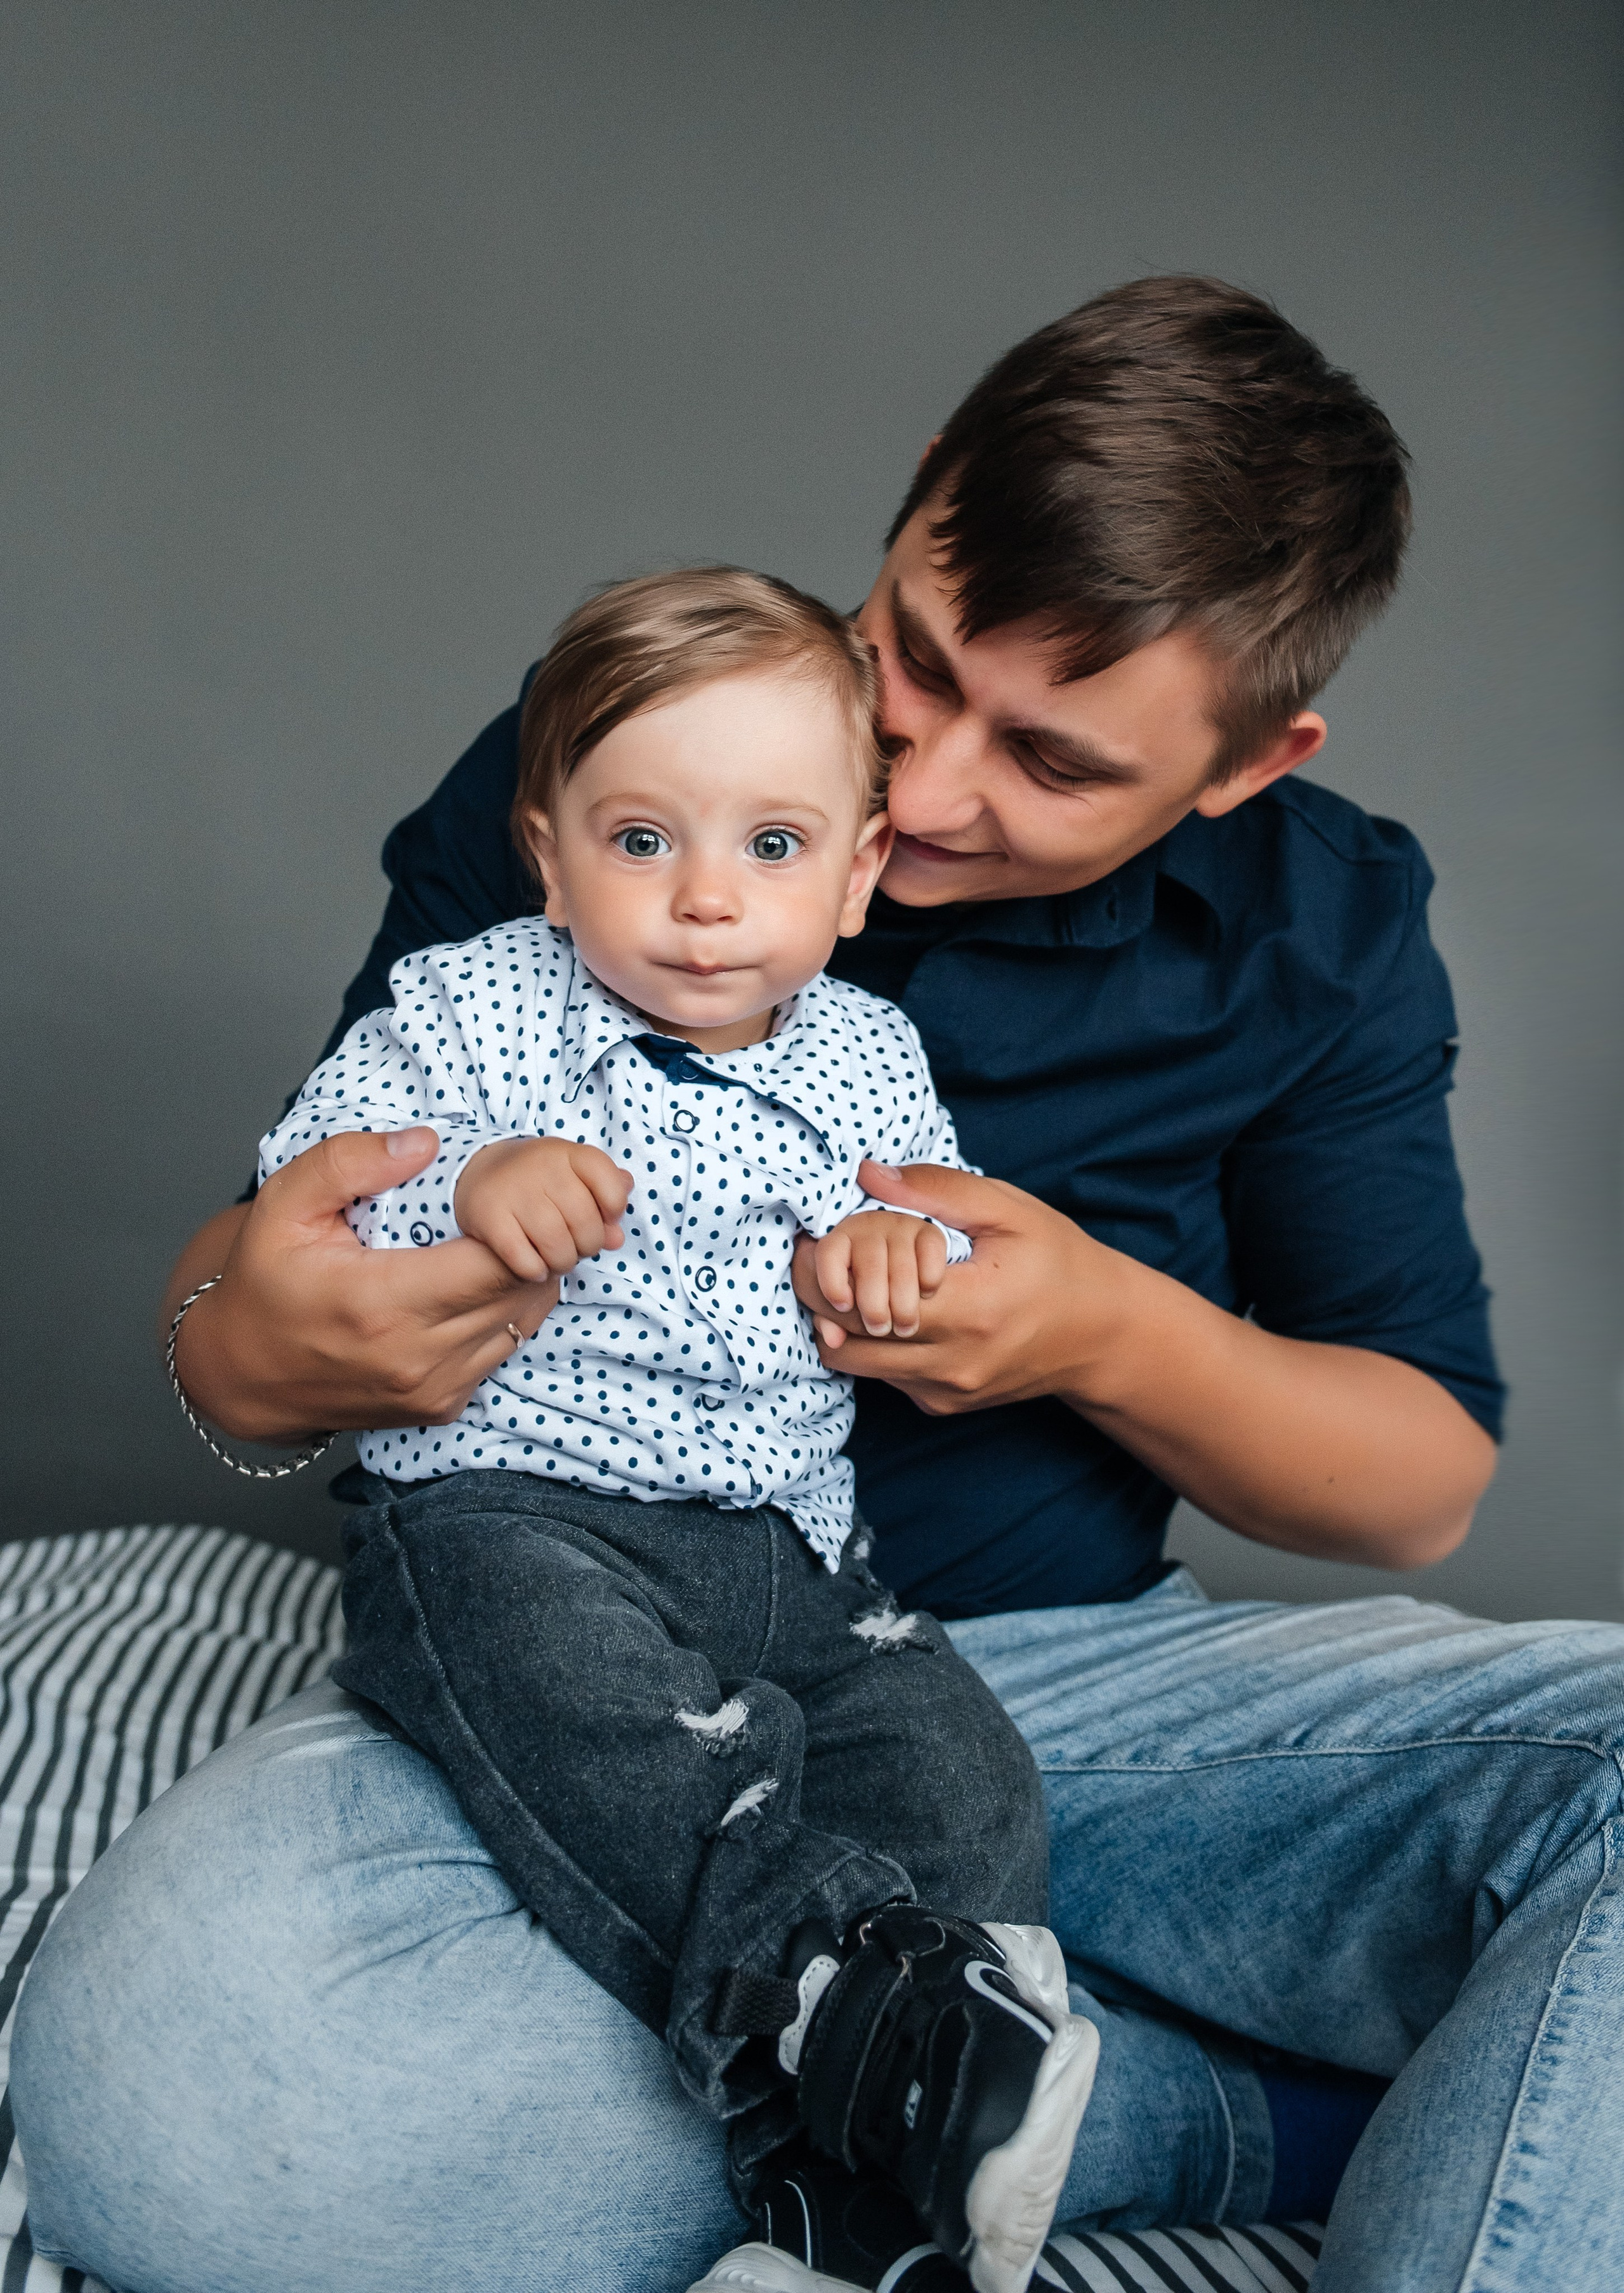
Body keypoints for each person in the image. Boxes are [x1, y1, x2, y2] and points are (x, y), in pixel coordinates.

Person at [15, 278, 1624, 2293]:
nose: (926, 789)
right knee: (170, 2094)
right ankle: (1142, 2109)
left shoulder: (1326, 927)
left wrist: (1101, 1331)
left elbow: (1414, 1484)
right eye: (907, 665)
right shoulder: (654, 759)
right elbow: (259, 1263)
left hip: (1059, 1677)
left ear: (1244, 763)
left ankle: (951, 2054)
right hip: (576, 1658)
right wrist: (254, 1350)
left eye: (1047, 760)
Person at [259, 565, 1099, 2293]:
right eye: (643, 842)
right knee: (589, 1708)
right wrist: (471, 1190)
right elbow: (306, 1206)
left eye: (773, 849)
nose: (708, 902)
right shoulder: (469, 1011)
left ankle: (836, 2227)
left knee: (961, 1771)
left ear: (861, 872)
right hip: (515, 1505)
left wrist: (893, 1258)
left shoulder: (871, 1058)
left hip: (790, 1544)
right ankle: (832, 1996)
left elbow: (943, 1233)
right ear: (549, 847)